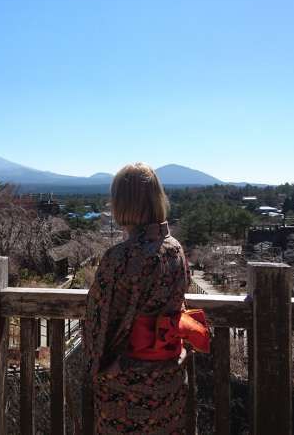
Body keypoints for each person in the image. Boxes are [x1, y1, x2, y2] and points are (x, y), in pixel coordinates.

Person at [83, 162, 210, 434]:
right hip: (170, 375)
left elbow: (99, 318)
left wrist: (98, 367)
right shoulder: (175, 249)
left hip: (127, 380)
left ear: (122, 203)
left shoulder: (120, 257)